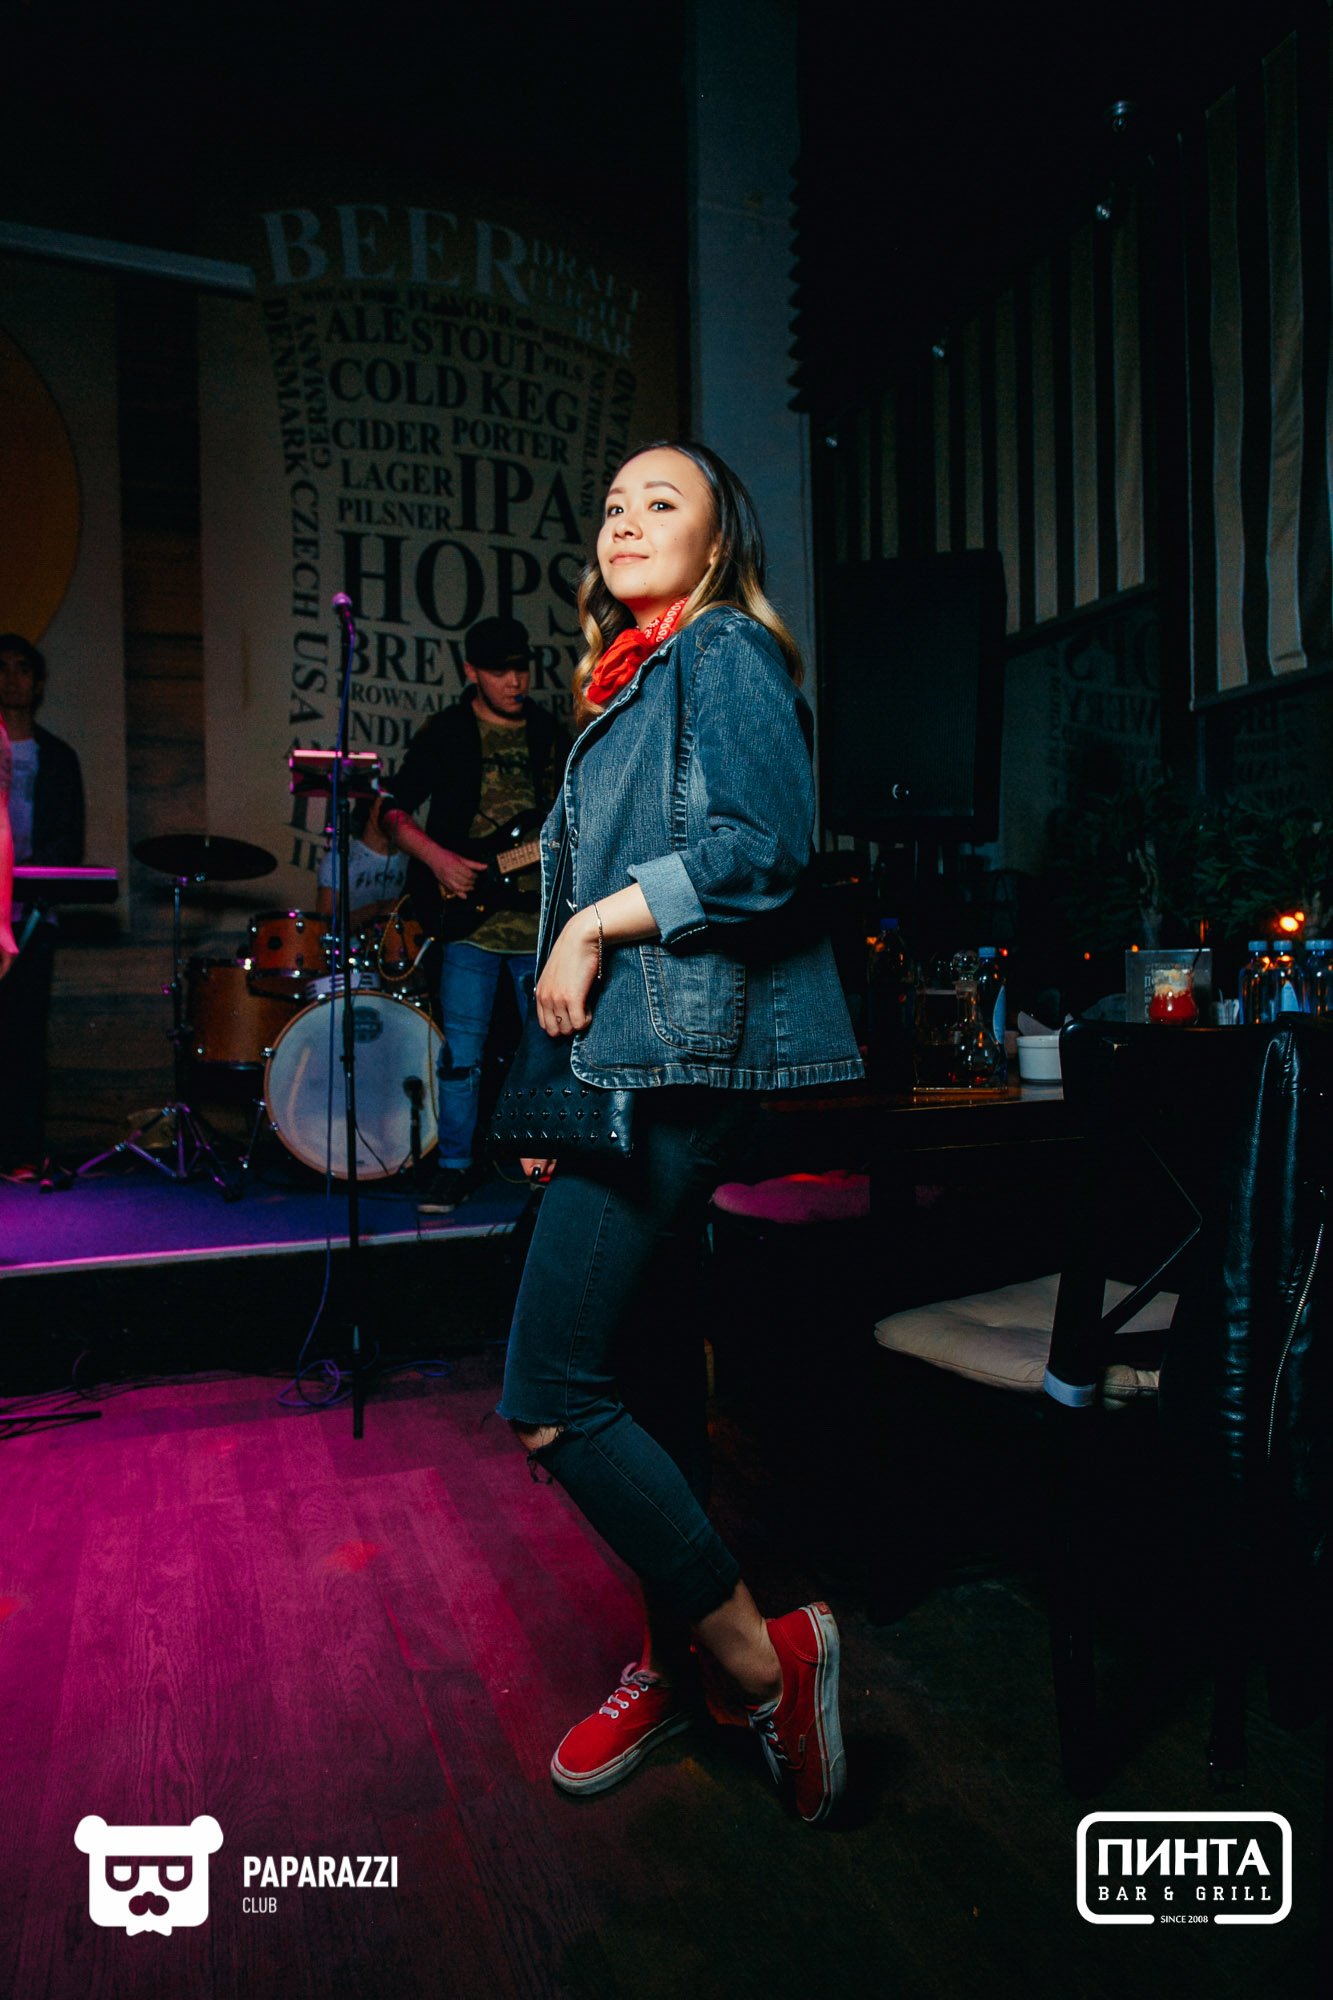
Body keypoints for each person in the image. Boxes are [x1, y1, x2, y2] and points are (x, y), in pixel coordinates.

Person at [497, 442, 864, 1825]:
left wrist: (594, 924)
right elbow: (572, 916)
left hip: (677, 1068)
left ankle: (758, 1658)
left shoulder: (720, 650)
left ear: (718, 547)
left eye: (663, 501)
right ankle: (671, 1662)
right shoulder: (628, 684)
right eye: (611, 504)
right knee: (643, 1382)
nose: (625, 519)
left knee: (549, 1395)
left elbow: (763, 849)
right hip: (619, 1072)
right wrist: (552, 1089)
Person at [383, 616, 568, 1212]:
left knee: (545, 1052)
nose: (515, 682)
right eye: (498, 671)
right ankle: (455, 1166)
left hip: (539, 921)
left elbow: (570, 816)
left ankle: (546, 1176)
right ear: (471, 672)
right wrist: (438, 860)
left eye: (521, 669)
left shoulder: (550, 734)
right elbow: (392, 812)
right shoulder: (447, 732)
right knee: (461, 1054)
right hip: (468, 919)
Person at [0, 635, 85, 1176]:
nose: (12, 679)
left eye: (22, 669)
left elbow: (69, 839)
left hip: (31, 915)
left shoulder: (58, 757)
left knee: (24, 1034)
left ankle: (20, 1151)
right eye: (2, 668)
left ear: (38, 683)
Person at [314, 794, 408, 928]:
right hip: (352, 941)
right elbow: (324, 923)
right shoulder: (340, 857)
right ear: (370, 811)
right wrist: (375, 911)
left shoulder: (410, 862)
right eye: (385, 807)